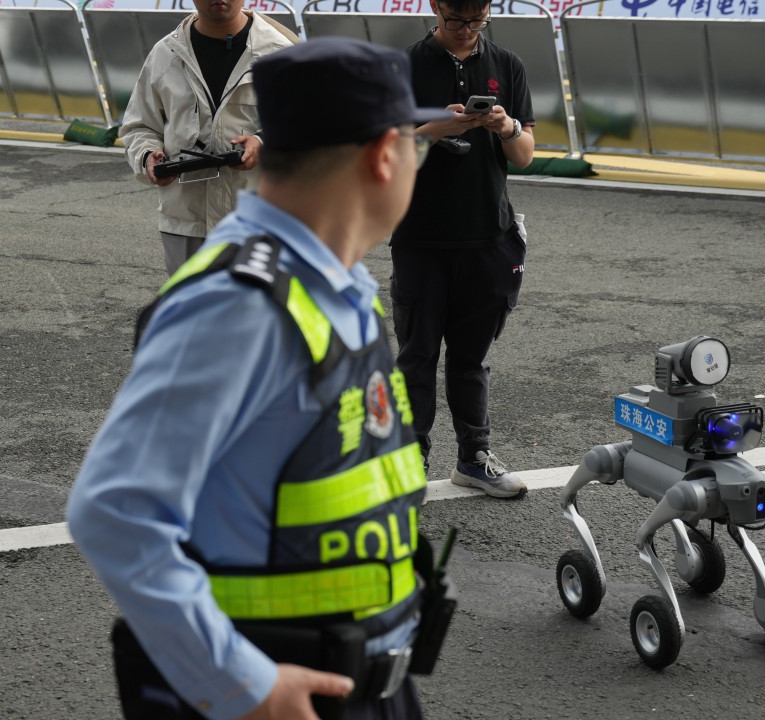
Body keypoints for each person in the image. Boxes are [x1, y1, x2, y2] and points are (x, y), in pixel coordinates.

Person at [69, 37, 454, 720]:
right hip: (283, 696)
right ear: (384, 155)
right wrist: (245, 686)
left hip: (368, 684)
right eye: (414, 146)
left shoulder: (334, 289)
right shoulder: (237, 304)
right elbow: (115, 510)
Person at [390, 0, 536, 498]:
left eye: (477, 21)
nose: (466, 31)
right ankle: (409, 465)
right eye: (456, 20)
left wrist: (505, 127)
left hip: (489, 236)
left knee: (472, 358)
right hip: (420, 237)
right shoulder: (404, 67)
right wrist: (433, 130)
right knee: (417, 354)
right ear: (435, 8)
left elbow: (526, 154)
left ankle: (474, 457)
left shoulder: (507, 64)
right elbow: (381, 153)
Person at [119, 0, 297, 275]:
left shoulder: (281, 53)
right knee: (191, 313)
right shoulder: (166, 54)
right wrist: (147, 157)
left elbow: (309, 125)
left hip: (259, 222)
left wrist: (263, 143)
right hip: (186, 222)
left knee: (255, 314)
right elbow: (139, 126)